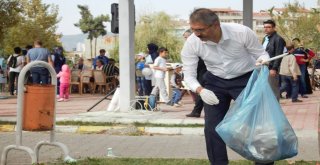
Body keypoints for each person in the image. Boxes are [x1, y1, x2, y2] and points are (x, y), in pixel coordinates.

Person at [181, 8, 270, 165]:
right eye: (193, 29)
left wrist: (264, 60)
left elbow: (261, 54)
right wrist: (200, 90)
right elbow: (188, 73)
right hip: (215, 82)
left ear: (216, 25)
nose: (196, 34)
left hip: (246, 80)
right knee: (212, 128)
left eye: (200, 30)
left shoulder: (242, 32)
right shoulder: (192, 42)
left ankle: (263, 162)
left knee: (257, 124)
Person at [182, 29, 208, 118]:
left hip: (203, 70)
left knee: (201, 91)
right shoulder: (189, 46)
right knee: (200, 91)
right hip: (198, 71)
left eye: (186, 37)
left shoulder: (198, 44)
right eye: (184, 37)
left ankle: (197, 111)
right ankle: (197, 110)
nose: (185, 39)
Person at [262, 19, 286, 100]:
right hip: (264, 67)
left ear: (274, 28)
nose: (266, 29)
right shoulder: (265, 38)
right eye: (264, 27)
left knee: (273, 89)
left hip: (272, 68)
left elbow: (279, 55)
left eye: (268, 27)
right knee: (265, 89)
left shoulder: (278, 39)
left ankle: (275, 109)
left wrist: (274, 68)